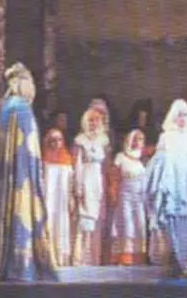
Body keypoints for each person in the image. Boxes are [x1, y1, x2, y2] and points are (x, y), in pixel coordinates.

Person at [0, 62, 57, 282]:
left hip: (0, 177)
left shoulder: (1, 108)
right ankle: (21, 265)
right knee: (21, 211)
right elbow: (29, 150)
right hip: (21, 177)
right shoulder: (22, 109)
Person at [145, 99, 187, 276]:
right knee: (174, 221)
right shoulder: (166, 137)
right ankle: (180, 261)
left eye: (185, 115)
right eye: (179, 115)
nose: (182, 118)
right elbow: (158, 163)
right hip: (172, 183)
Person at [72, 107, 111, 266]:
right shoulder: (80, 140)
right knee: (85, 217)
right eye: (90, 120)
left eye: (96, 120)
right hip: (86, 177)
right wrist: (78, 186)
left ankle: (95, 258)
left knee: (98, 217)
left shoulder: (104, 140)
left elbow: (106, 165)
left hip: (98, 179)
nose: (93, 123)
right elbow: (77, 165)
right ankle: (82, 258)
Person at [110, 129, 148, 265]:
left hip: (140, 197)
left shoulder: (143, 158)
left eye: (141, 139)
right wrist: (113, 193)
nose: (139, 142)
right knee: (127, 224)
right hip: (125, 195)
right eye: (136, 139)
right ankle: (125, 256)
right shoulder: (121, 156)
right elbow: (114, 177)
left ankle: (138, 256)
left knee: (140, 223)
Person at [42, 128, 75, 266]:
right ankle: (49, 257)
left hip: (62, 199)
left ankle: (61, 258)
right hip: (48, 199)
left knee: (61, 224)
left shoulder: (67, 159)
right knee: (49, 223)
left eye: (59, 139)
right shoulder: (44, 159)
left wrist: (71, 198)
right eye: (53, 140)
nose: (56, 143)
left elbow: (71, 181)